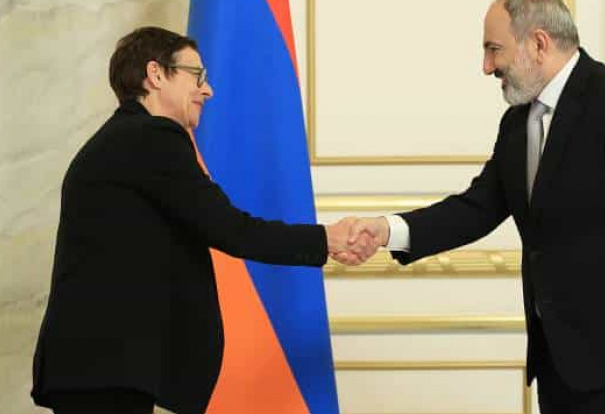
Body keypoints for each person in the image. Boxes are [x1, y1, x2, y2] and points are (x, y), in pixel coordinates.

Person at [340, 0, 605, 413]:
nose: (486, 66)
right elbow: (476, 208)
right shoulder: (518, 123)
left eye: (494, 49)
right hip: (558, 360)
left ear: (538, 43)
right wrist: (386, 230)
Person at [32, 27, 370, 414]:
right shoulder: (150, 137)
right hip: (106, 367)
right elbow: (232, 229)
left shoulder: (124, 137)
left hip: (98, 365)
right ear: (156, 75)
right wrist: (328, 238)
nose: (207, 90)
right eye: (197, 76)